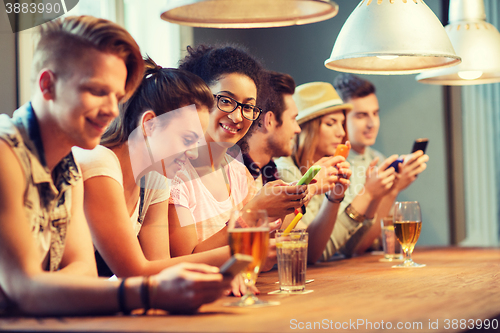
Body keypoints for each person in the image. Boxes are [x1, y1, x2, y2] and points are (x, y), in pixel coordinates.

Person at [0, 16, 229, 316]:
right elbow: (25, 290)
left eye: (117, 96)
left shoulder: (67, 165)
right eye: (97, 91)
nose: (111, 109)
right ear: (47, 85)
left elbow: (82, 271)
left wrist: (44, 288)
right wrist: (148, 292)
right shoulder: (6, 153)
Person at [72, 58, 234, 279]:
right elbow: (134, 271)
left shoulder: (155, 178)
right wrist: (240, 252)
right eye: (188, 139)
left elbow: (158, 269)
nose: (195, 153)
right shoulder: (99, 161)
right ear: (149, 124)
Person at [168, 45, 308, 261]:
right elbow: (184, 261)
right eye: (225, 100)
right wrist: (251, 213)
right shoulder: (174, 173)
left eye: (248, 106)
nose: (237, 117)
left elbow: (263, 261)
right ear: (196, 96)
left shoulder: (238, 173)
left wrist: (283, 207)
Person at [239, 72, 352, 263]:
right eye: (293, 119)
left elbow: (296, 247)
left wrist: (333, 197)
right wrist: (313, 186)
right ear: (269, 121)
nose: (297, 128)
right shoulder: (238, 170)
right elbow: (284, 252)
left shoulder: (269, 171)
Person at [332, 73, 429, 255]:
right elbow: (351, 247)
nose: (372, 123)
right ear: (341, 119)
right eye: (361, 115)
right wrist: (393, 190)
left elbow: (385, 231)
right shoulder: (335, 165)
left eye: (375, 113)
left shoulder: (378, 159)